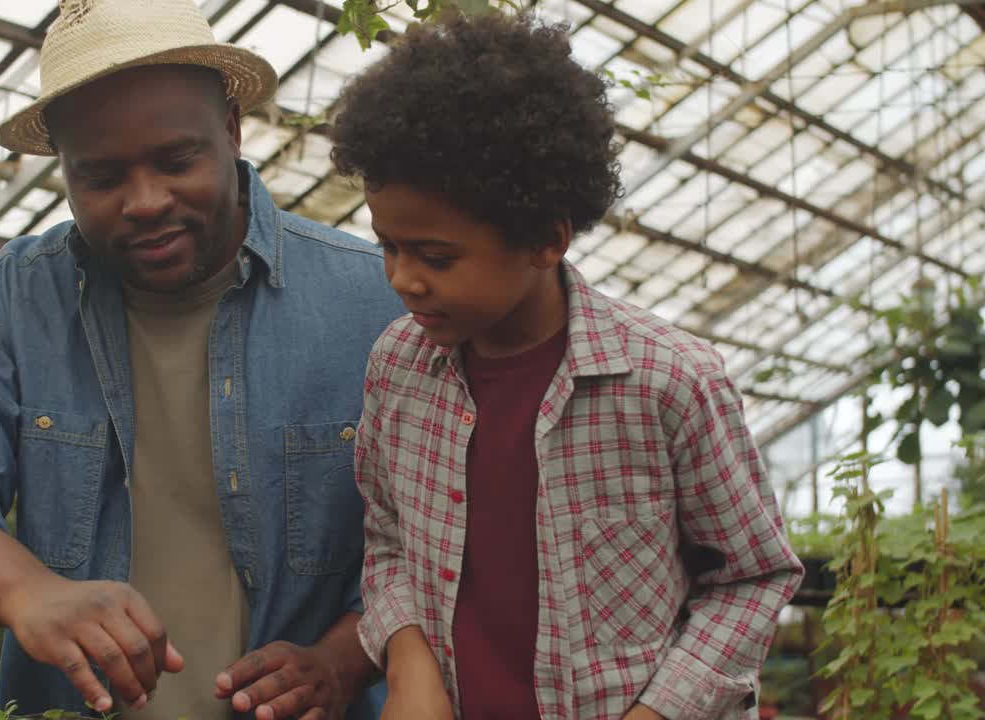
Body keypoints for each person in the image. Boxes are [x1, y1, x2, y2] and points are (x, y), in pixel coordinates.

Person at [0, 0, 402, 717]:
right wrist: (30, 591)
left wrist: (339, 661)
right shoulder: (4, 308)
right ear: (63, 170)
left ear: (233, 131)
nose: (144, 202)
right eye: (101, 177)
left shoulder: (376, 304)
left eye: (177, 161)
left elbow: (442, 541)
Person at [328, 12, 804, 720]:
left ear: (547, 238)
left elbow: (752, 577)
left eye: (435, 257)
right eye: (388, 246)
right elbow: (390, 535)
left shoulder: (667, 382)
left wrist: (659, 712)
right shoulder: (399, 366)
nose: (402, 279)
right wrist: (409, 659)